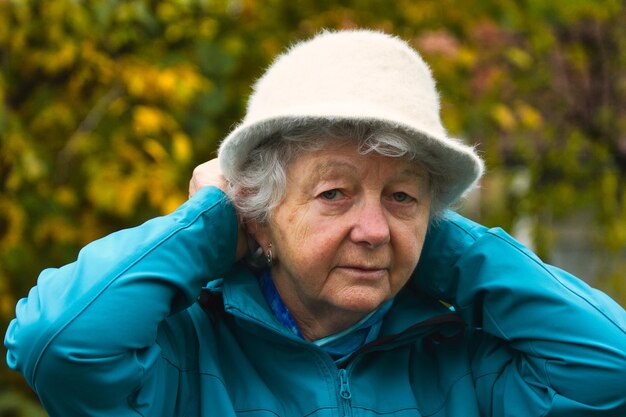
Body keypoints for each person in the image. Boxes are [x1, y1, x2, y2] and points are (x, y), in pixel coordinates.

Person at [4, 29, 626, 417]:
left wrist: (437, 248)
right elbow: (57, 343)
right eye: (334, 192)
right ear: (261, 218)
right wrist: (208, 225)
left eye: (403, 197)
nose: (374, 229)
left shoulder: (462, 361)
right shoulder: (180, 357)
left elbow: (613, 368)